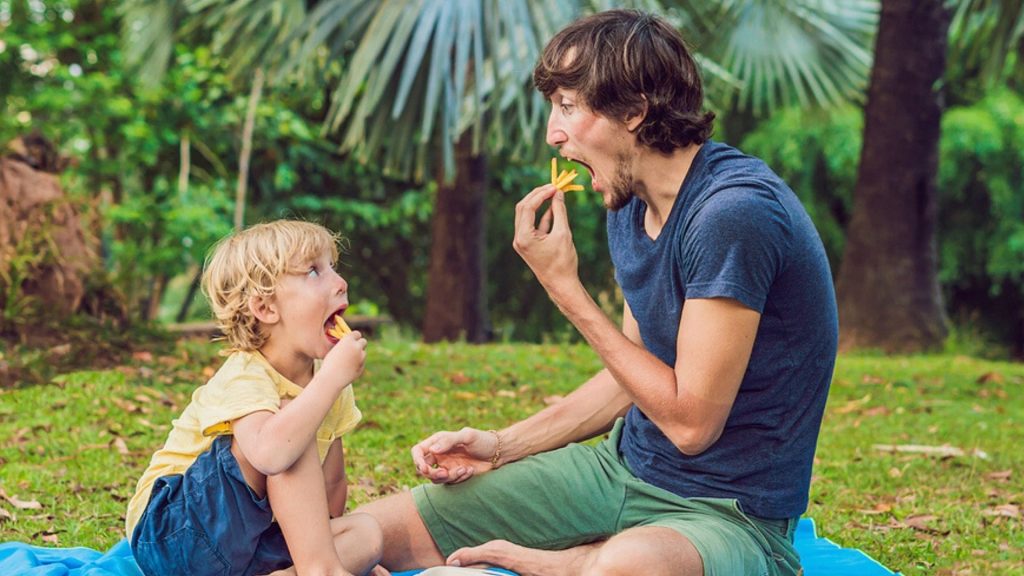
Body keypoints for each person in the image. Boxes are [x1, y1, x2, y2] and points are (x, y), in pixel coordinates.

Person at [358, 9, 838, 576]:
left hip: (730, 516)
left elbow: (689, 426)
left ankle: (576, 562)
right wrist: (501, 445)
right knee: (370, 531)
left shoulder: (732, 216)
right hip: (620, 473)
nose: (551, 134)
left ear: (634, 111)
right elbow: (630, 380)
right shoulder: (629, 202)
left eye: (567, 106)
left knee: (626, 567)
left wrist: (566, 292)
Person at [126, 220, 382, 576]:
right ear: (265, 309)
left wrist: (332, 552)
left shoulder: (327, 379)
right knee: (288, 427)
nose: (340, 283)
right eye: (313, 272)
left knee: (367, 534)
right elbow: (270, 453)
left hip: (248, 544)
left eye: (333, 268)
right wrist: (331, 379)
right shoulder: (245, 373)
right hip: (171, 533)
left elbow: (332, 484)